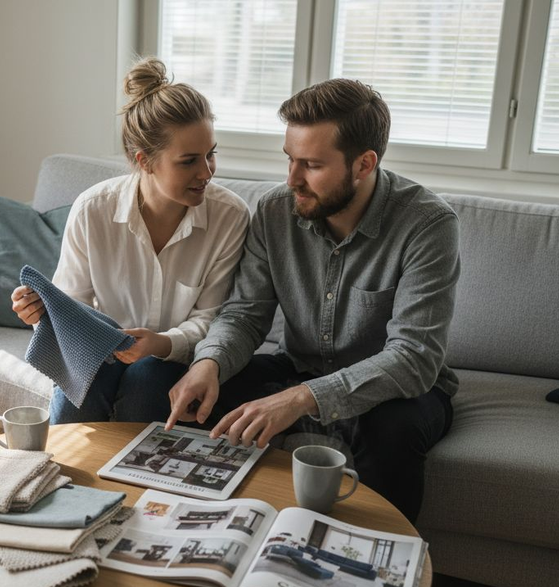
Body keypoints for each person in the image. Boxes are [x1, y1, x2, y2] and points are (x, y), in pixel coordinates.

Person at [166, 78, 460, 523]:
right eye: (289, 159)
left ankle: (374, 554)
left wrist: (301, 399)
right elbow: (245, 314)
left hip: (397, 391)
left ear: (364, 164)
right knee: (191, 392)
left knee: (391, 432)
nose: (292, 179)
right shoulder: (274, 211)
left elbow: (414, 358)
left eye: (312, 165)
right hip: (297, 366)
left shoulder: (427, 225)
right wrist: (208, 362)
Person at [11, 57, 250, 425]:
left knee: (147, 378)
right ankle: (65, 460)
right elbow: (71, 305)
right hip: (100, 354)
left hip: (173, 360)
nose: (206, 172)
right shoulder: (93, 210)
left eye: (210, 154)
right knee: (89, 379)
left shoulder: (229, 217)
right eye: (189, 161)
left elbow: (212, 319)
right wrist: (41, 313)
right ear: (145, 161)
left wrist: (161, 343)